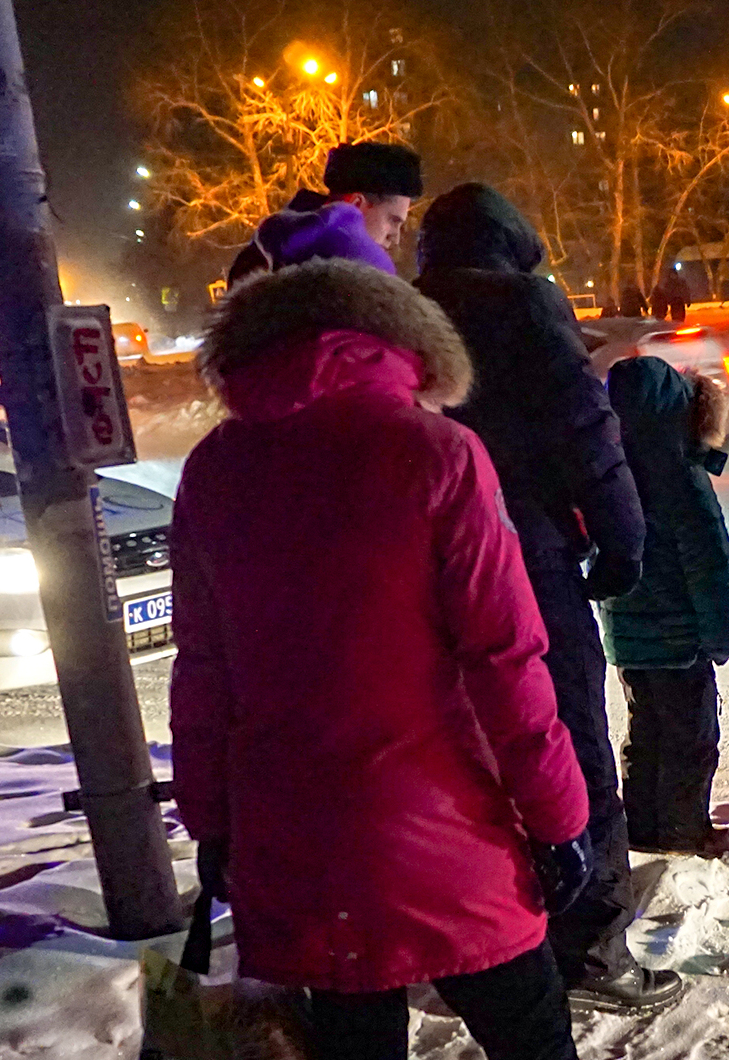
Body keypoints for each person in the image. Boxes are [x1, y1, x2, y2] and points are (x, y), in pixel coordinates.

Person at [171, 208, 591, 1058]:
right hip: (446, 831)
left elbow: (203, 670)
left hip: (294, 840)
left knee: (352, 1040)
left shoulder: (214, 467)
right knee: (531, 1033)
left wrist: (214, 822)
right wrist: (558, 817)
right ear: (391, 322)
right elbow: (503, 656)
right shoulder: (436, 452)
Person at [413, 183, 682, 1013]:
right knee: (565, 736)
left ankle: (481, 939)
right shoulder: (526, 304)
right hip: (526, 556)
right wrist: (623, 539)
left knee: (465, 750)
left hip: (423, 566)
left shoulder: (403, 308)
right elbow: (584, 429)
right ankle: (589, 944)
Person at [603, 355, 729, 857]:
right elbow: (708, 564)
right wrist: (723, 637)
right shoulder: (682, 481)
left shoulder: (608, 476)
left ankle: (643, 829)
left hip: (631, 643)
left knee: (645, 736)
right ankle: (685, 834)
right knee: (691, 740)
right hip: (681, 643)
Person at [228, 142, 422, 285]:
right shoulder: (342, 285)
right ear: (354, 205)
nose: (395, 237)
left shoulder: (268, 256)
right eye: (392, 220)